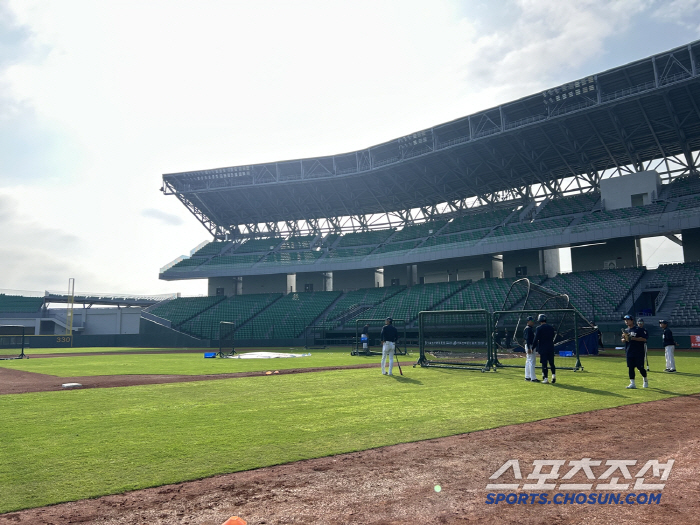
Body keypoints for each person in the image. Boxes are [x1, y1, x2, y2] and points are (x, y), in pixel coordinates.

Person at [622, 314, 648, 389]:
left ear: (632, 320)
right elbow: (623, 340)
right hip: (629, 351)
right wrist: (624, 338)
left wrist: (633, 338)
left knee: (640, 367)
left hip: (638, 351)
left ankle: (645, 379)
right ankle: (632, 383)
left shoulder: (638, 329)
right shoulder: (626, 330)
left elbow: (644, 339)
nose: (626, 321)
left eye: (628, 320)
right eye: (625, 320)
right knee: (630, 367)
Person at [532, 313, 556, 384]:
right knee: (552, 363)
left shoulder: (539, 328)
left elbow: (536, 339)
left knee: (544, 363)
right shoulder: (551, 327)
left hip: (543, 347)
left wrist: (533, 347)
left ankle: (545, 378)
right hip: (551, 347)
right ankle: (553, 375)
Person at [523, 316, 539, 382]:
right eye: (531, 321)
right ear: (528, 321)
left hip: (529, 345)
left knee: (528, 361)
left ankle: (527, 376)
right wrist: (530, 348)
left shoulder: (529, 328)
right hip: (530, 345)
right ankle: (533, 378)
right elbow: (527, 339)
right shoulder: (528, 329)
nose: (533, 322)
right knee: (532, 361)